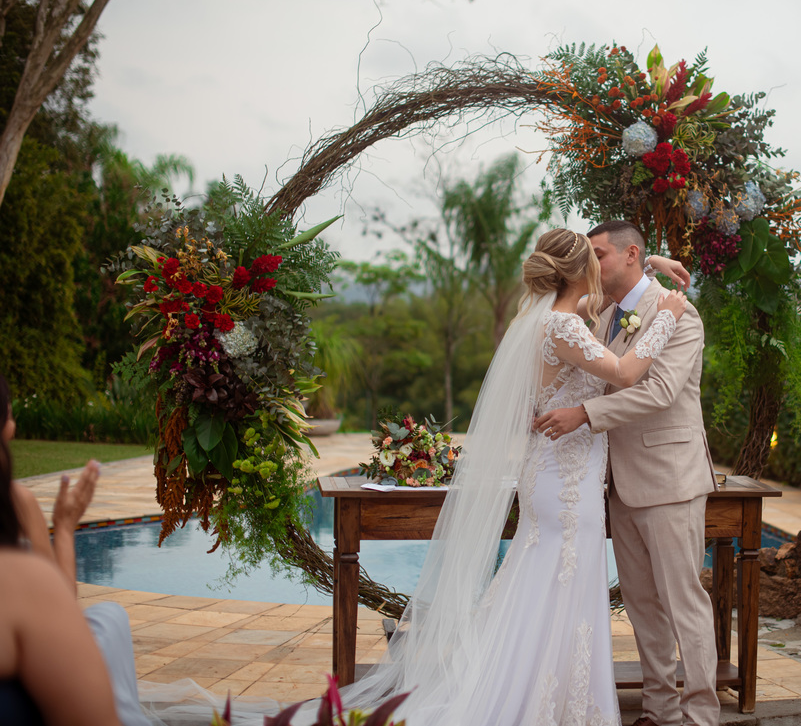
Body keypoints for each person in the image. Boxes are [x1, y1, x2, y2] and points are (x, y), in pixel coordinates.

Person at [141, 228, 687, 726]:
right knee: (559, 585)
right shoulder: (565, 325)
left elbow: (603, 305)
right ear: (577, 271)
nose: (599, 265)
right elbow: (627, 371)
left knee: (542, 585)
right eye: (592, 257)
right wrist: (671, 310)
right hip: (567, 485)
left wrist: (654, 271)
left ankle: (545, 695)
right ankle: (551, 704)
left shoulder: (545, 321)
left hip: (557, 475)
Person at [534, 221, 719, 726]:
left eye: (599, 255)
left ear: (630, 254)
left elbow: (657, 392)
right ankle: (660, 711)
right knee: (641, 605)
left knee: (684, 603)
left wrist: (586, 416)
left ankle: (701, 715)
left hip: (670, 477)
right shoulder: (604, 314)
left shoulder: (680, 313)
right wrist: (658, 260)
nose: (591, 266)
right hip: (617, 482)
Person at [4, 383, 152, 726]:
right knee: (108, 619)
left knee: (108, 616)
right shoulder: (17, 502)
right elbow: (61, 601)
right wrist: (65, 527)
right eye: (10, 415)